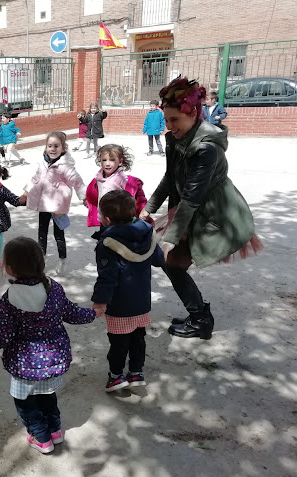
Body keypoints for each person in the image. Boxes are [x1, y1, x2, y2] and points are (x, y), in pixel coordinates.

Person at [139, 77, 261, 340]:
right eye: (166, 120)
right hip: (187, 207)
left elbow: (193, 197)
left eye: (175, 120)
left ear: (193, 114)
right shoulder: (175, 138)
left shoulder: (207, 148)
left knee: (172, 262)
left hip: (211, 212)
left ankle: (201, 320)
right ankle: (200, 317)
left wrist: (171, 238)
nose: (169, 126)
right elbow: (170, 177)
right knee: (172, 264)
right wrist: (149, 208)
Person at [0, 237, 97, 454]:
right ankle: (55, 431)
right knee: (48, 396)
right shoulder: (54, 288)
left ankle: (41, 438)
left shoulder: (9, 299)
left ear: (10, 268)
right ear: (42, 263)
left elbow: (2, 336)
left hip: (24, 364)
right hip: (54, 359)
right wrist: (93, 313)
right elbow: (73, 314)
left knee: (26, 404)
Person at [91, 191, 164, 392]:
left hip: (119, 303)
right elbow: (159, 260)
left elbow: (107, 277)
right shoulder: (148, 233)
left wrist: (100, 301)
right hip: (141, 302)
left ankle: (116, 376)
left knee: (119, 342)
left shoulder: (107, 243)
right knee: (138, 338)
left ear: (107, 219)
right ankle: (136, 372)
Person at [24, 131, 86, 274]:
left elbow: (77, 181)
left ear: (63, 148)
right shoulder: (43, 163)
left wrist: (84, 196)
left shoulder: (65, 166)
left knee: (59, 234)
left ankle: (62, 260)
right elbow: (35, 178)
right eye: (50, 146)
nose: (52, 149)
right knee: (42, 232)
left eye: (56, 146)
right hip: (44, 205)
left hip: (58, 206)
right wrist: (26, 192)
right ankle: (42, 259)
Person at [85, 144, 147, 227]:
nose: (107, 164)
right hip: (104, 217)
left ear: (120, 162)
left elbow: (133, 198)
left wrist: (142, 210)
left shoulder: (121, 178)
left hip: (117, 219)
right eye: (104, 160)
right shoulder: (98, 178)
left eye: (112, 160)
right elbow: (93, 193)